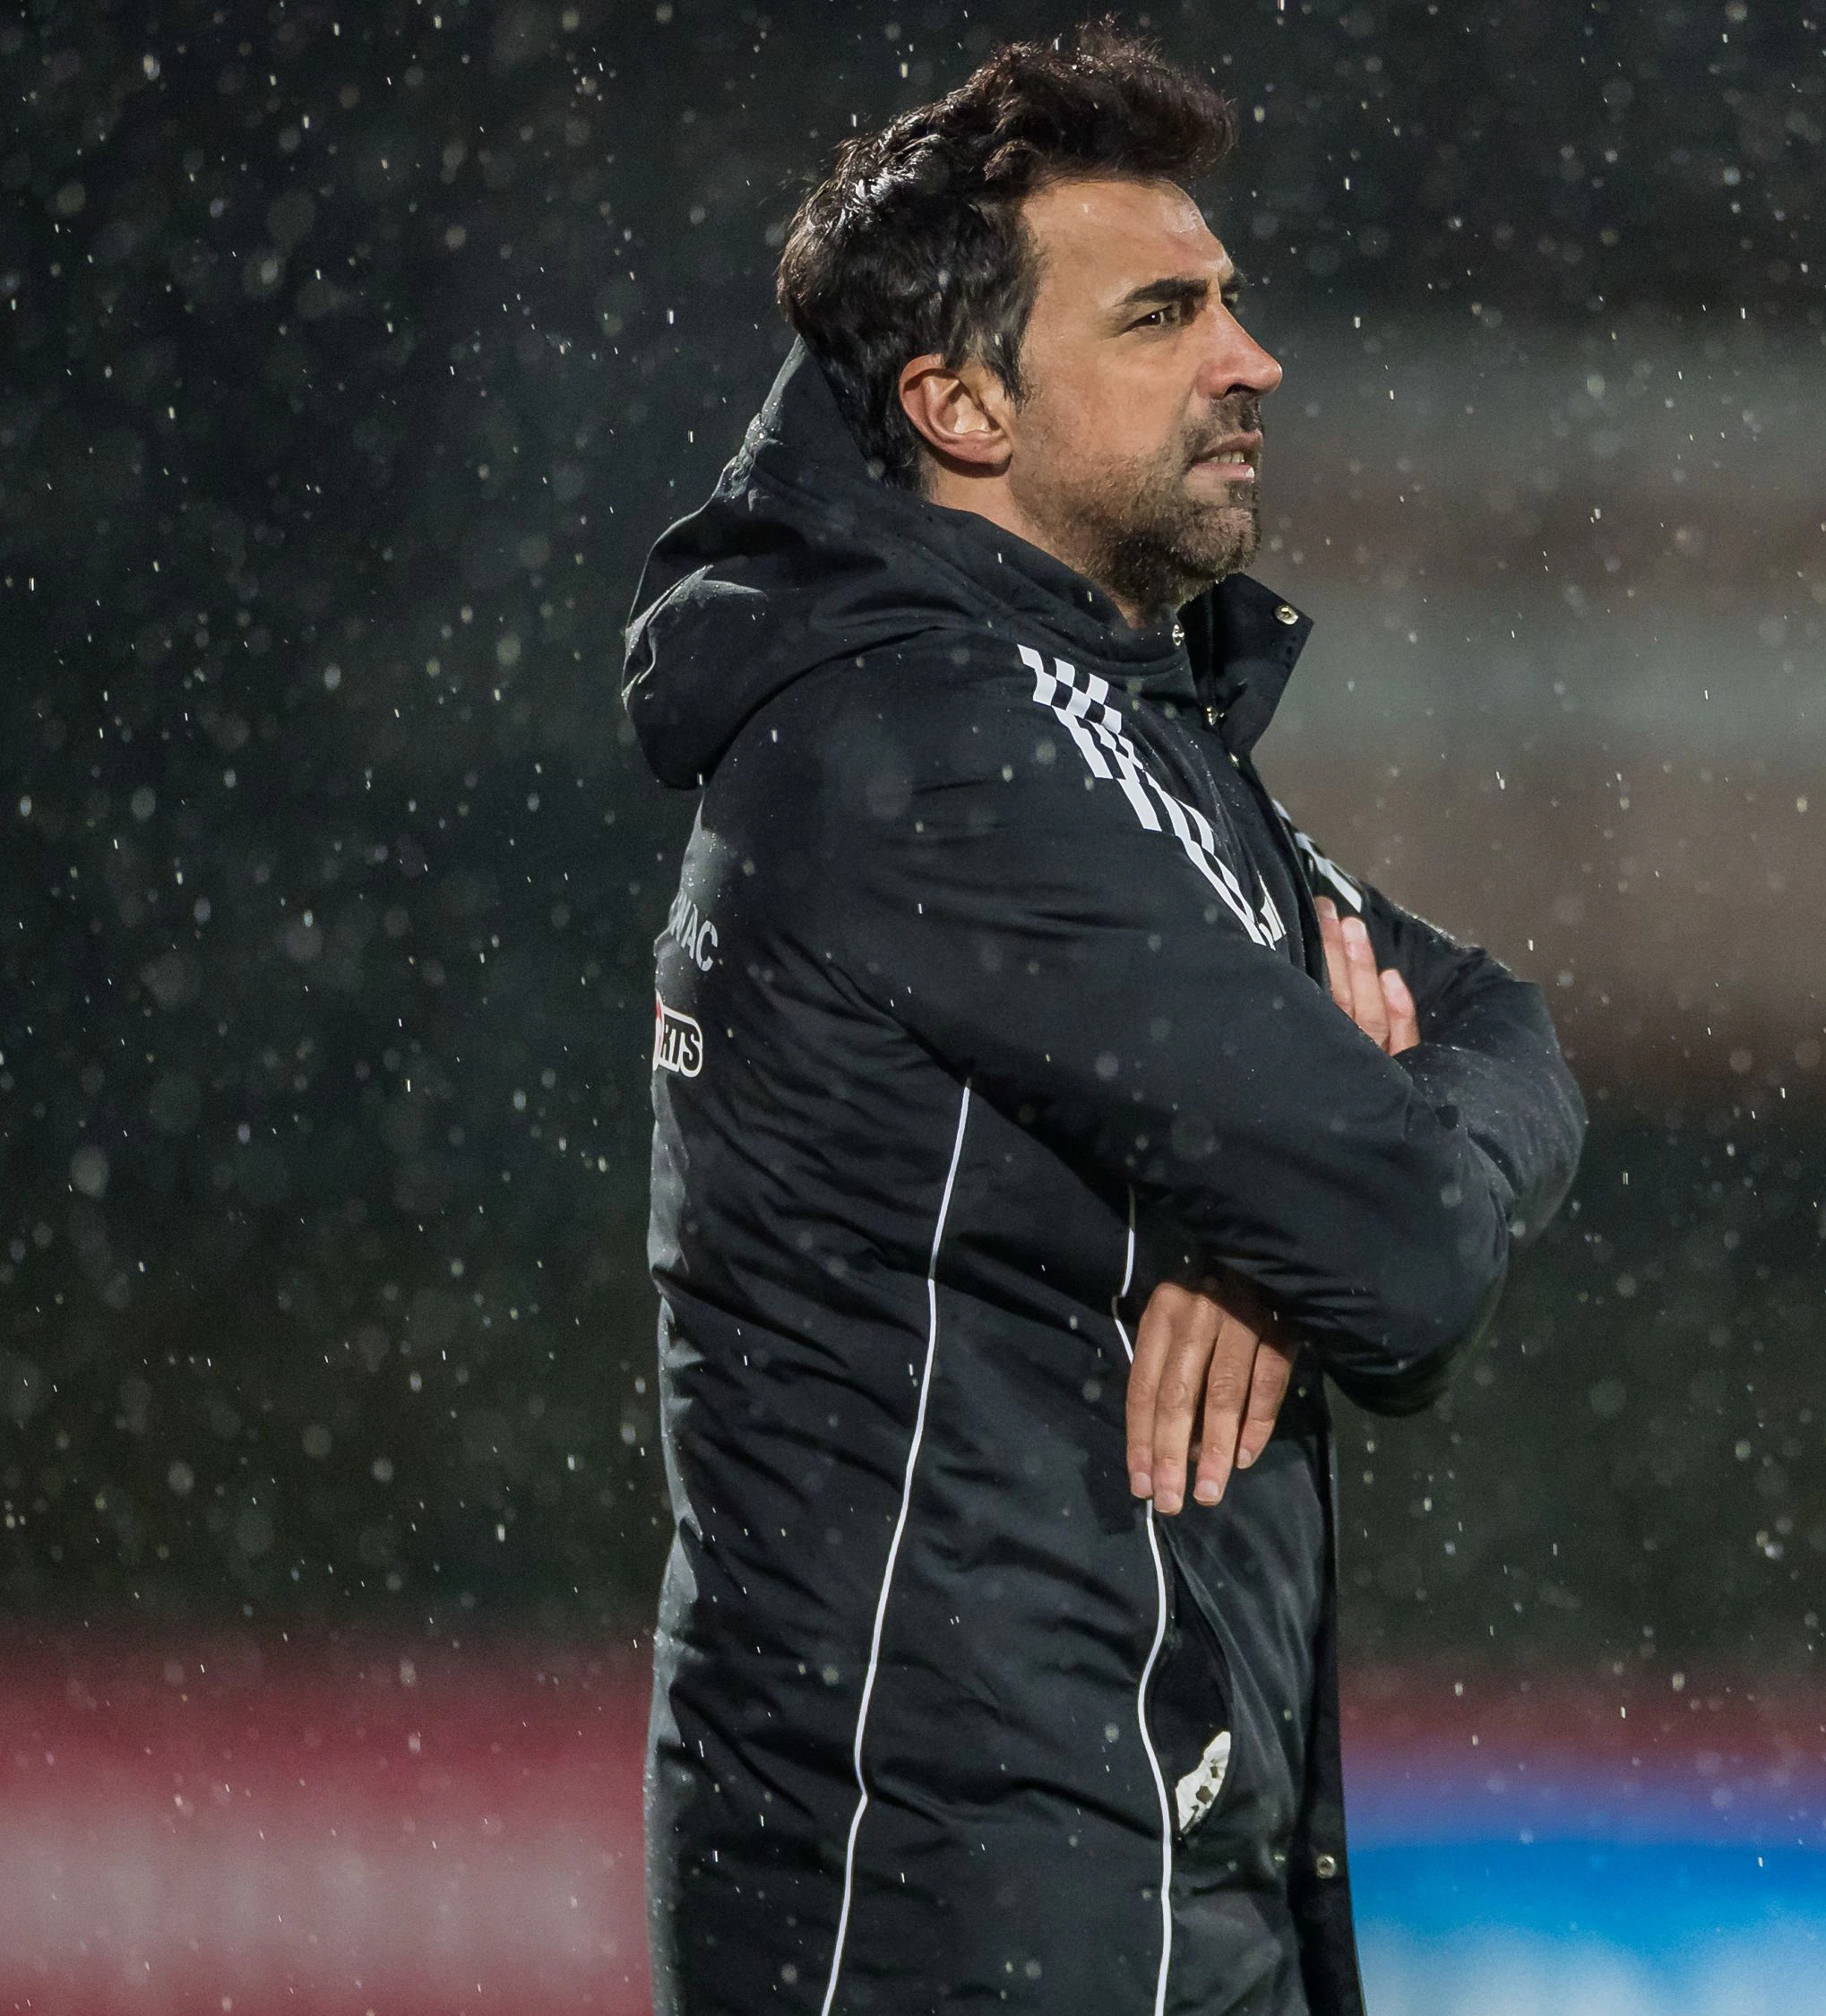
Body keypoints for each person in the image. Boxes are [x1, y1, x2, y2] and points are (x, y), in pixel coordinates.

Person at [618, 26, 1584, 2014]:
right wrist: (1332, 1190)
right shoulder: (934, 745)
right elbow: (1405, 1250)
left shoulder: (1109, 722)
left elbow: (1498, 1022)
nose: (1253, 358)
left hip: (1124, 1839)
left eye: (1228, 301)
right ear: (959, 402)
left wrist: (1283, 1214)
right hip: (967, 1889)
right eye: (1165, 316)